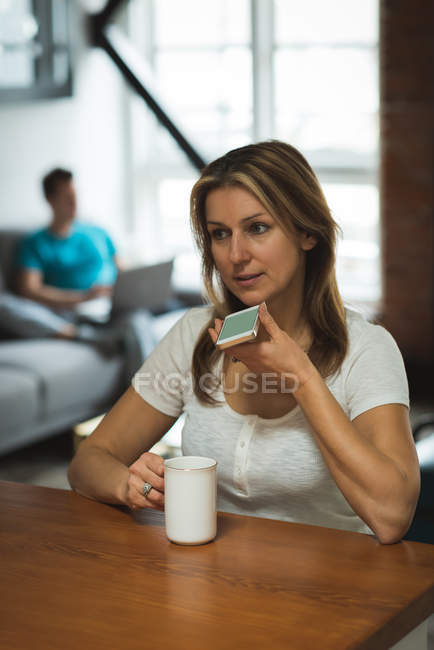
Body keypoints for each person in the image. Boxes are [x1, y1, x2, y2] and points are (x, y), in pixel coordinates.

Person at [68, 141, 420, 544]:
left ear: (307, 232)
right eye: (220, 234)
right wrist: (129, 485)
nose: (236, 255)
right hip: (216, 588)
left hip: (333, 593)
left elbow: (393, 516)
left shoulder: (367, 350)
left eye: (257, 228)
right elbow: (87, 464)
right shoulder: (195, 335)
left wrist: (301, 377)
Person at [0, 168, 155, 376]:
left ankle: (150, 397)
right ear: (50, 200)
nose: (74, 203)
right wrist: (81, 298)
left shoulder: (97, 231)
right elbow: (28, 290)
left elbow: (125, 273)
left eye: (75, 196)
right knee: (6, 305)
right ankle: (81, 335)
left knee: (137, 319)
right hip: (62, 314)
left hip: (107, 307)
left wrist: (123, 291)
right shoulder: (34, 242)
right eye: (67, 198)